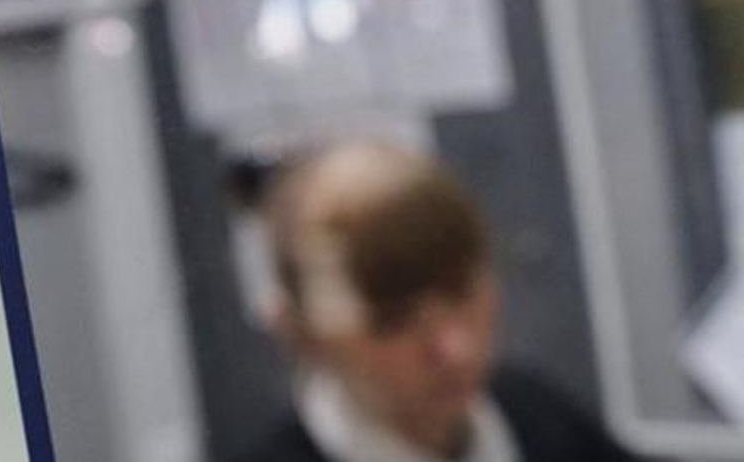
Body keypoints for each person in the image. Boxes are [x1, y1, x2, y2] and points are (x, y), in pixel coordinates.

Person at [230, 141, 648, 462]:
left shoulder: (533, 415)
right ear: (302, 334)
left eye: (462, 294)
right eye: (392, 321)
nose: (454, 348)